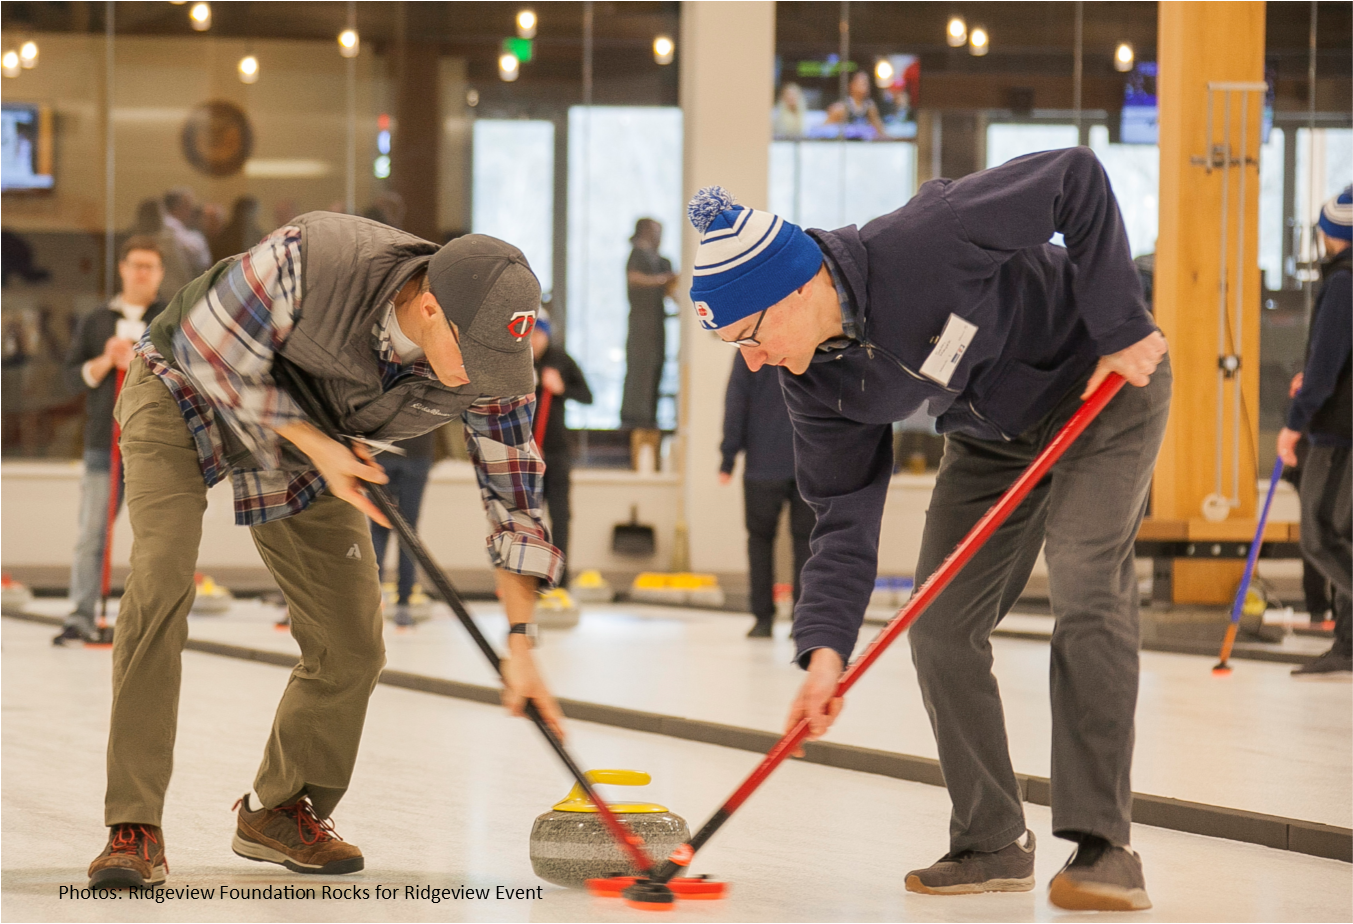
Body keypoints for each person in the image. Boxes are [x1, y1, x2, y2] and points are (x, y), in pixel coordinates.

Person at [684, 146, 1170, 912]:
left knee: (1081, 575)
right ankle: (990, 840)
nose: (751, 363)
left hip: (1103, 384)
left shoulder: (927, 235)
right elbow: (841, 516)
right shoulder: (810, 380)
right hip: (989, 439)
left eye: (748, 335)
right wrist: (824, 652)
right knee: (938, 626)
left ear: (795, 288)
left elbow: (1074, 178)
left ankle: (1104, 847)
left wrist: (1120, 323)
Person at [86, 215, 565, 890]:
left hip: (308, 434)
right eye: (475, 354)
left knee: (352, 641)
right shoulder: (313, 257)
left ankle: (278, 809)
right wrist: (318, 445)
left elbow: (514, 500)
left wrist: (521, 642)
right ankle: (133, 825)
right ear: (430, 306)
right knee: (161, 580)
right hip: (183, 386)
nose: (484, 378)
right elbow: (205, 349)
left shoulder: (492, 365)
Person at [53, 236, 166, 645]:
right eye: (135, 265)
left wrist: (143, 362)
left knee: (156, 539)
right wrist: (104, 360)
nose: (142, 273)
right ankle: (81, 614)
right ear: (122, 269)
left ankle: (150, 622)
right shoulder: (96, 320)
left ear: (160, 273)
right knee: (92, 534)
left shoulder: (169, 318)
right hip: (104, 443)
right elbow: (70, 378)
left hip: (155, 447)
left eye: (150, 267)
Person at [1277, 187, 1352, 678]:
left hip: (1338, 432)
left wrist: (1293, 424)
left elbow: (1325, 366)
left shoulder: (1343, 282)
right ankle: (1347, 645)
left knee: (1320, 534)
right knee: (1345, 534)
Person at [719, 352, 814, 638]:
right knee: (807, 545)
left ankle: (762, 620)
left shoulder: (751, 347)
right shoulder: (812, 340)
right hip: (808, 463)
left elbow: (737, 401)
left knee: (759, 542)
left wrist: (728, 458)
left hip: (762, 467)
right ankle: (803, 622)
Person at [531, 309, 593, 579]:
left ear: (546, 334)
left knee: (561, 516)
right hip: (527, 453)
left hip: (556, 452)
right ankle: (531, 577)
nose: (533, 340)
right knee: (530, 519)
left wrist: (560, 388)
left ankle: (560, 580)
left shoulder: (560, 360)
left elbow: (587, 396)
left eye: (538, 333)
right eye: (529, 335)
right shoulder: (516, 363)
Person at [368, 430, 437, 628]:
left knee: (377, 529)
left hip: (380, 451)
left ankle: (371, 602)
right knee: (408, 532)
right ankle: (403, 605)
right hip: (418, 452)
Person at [619, 218, 676, 450]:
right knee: (640, 367)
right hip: (641, 324)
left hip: (656, 324)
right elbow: (634, 278)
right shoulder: (638, 255)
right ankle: (635, 415)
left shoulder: (660, 260)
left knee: (655, 366)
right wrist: (662, 280)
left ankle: (649, 414)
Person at [130, 199, 195, 305]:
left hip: (165, 294)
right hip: (163, 294)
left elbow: (181, 272)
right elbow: (182, 271)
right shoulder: (167, 241)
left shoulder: (167, 241)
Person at [161, 187, 212, 274]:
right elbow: (199, 258)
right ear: (178, 206)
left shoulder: (178, 226)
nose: (191, 210)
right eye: (188, 205)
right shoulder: (169, 225)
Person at [825, 71, 885, 140]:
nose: (867, 87)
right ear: (851, 85)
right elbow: (824, 132)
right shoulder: (840, 108)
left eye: (868, 84)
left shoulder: (870, 107)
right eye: (863, 83)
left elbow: (880, 131)